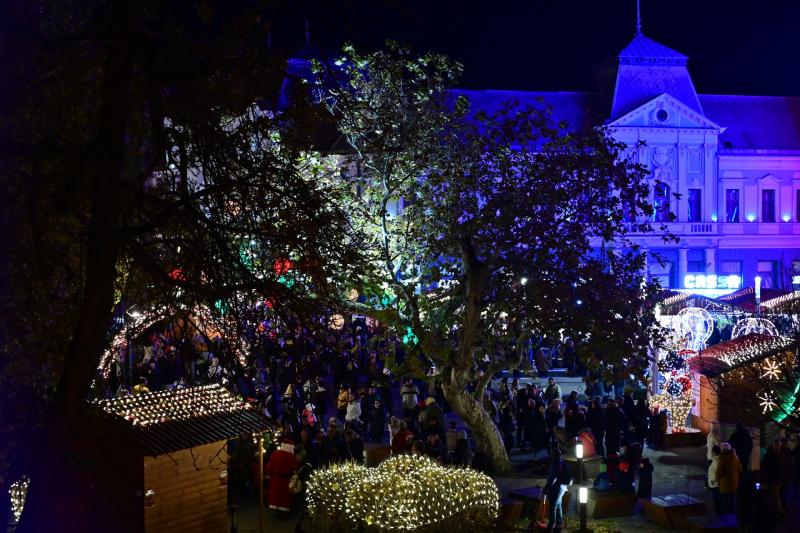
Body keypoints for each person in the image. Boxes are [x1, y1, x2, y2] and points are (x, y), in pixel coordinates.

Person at [265, 437, 299, 516]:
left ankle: (277, 511)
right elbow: (294, 469)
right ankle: (283, 513)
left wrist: (269, 474)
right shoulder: (292, 457)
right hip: (286, 480)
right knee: (284, 498)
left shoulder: (275, 454)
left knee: (276, 496)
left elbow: (269, 467)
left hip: (275, 479)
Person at [544, 447, 572, 532]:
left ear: (553, 455)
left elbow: (552, 478)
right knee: (558, 505)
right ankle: (559, 524)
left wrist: (547, 486)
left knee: (553, 507)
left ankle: (550, 527)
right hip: (563, 487)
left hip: (557, 488)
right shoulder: (562, 462)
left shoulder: (555, 464)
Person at [715, 442, 741, 514]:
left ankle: (727, 522)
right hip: (734, 485)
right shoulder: (736, 457)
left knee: (725, 505)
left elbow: (719, 473)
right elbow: (740, 469)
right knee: (732, 504)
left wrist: (716, 478)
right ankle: (733, 521)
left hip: (724, 486)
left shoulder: (722, 459)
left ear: (723, 450)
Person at [708, 445, 721, 514]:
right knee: (717, 502)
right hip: (715, 484)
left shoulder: (716, 461)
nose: (711, 452)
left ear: (714, 452)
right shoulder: (716, 459)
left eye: (712, 451)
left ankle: (719, 517)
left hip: (715, 485)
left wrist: (713, 480)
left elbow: (718, 472)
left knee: (717, 503)